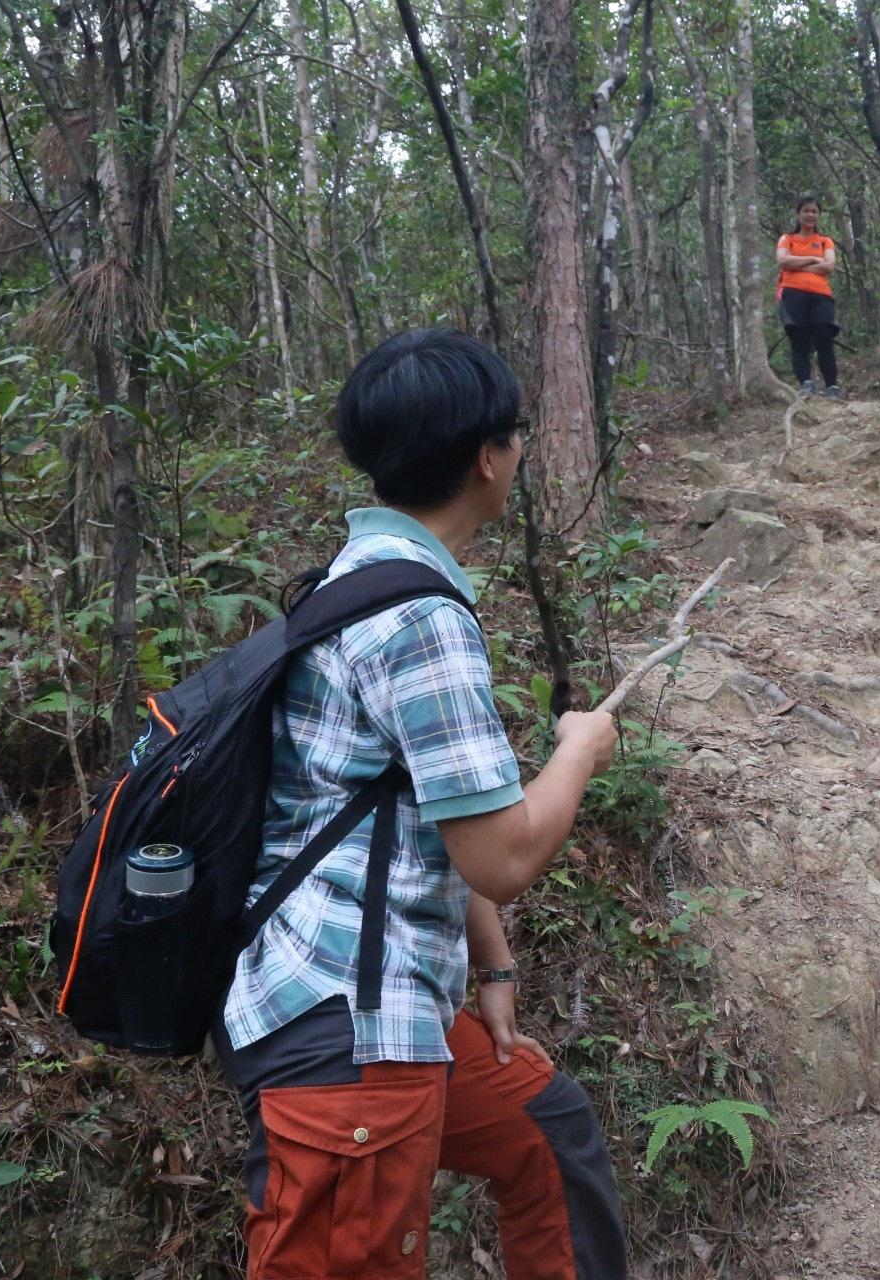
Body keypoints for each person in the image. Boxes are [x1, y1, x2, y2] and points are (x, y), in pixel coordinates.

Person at [216, 328, 629, 1280]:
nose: (519, 453)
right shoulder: (421, 620)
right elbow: (504, 855)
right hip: (349, 1033)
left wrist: (491, 973)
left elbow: (408, 804)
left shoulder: (349, 585)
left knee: (546, 1129)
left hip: (354, 993)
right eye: (516, 435)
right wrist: (579, 751)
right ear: (487, 458)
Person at [775, 196, 842, 399]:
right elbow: (783, 260)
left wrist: (797, 264)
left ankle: (832, 387)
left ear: (818, 215)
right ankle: (807, 385)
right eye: (806, 211)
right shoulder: (787, 239)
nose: (810, 215)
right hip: (792, 294)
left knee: (824, 339)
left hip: (821, 295)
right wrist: (814, 259)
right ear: (798, 214)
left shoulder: (825, 241)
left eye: (814, 211)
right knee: (799, 342)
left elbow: (829, 265)